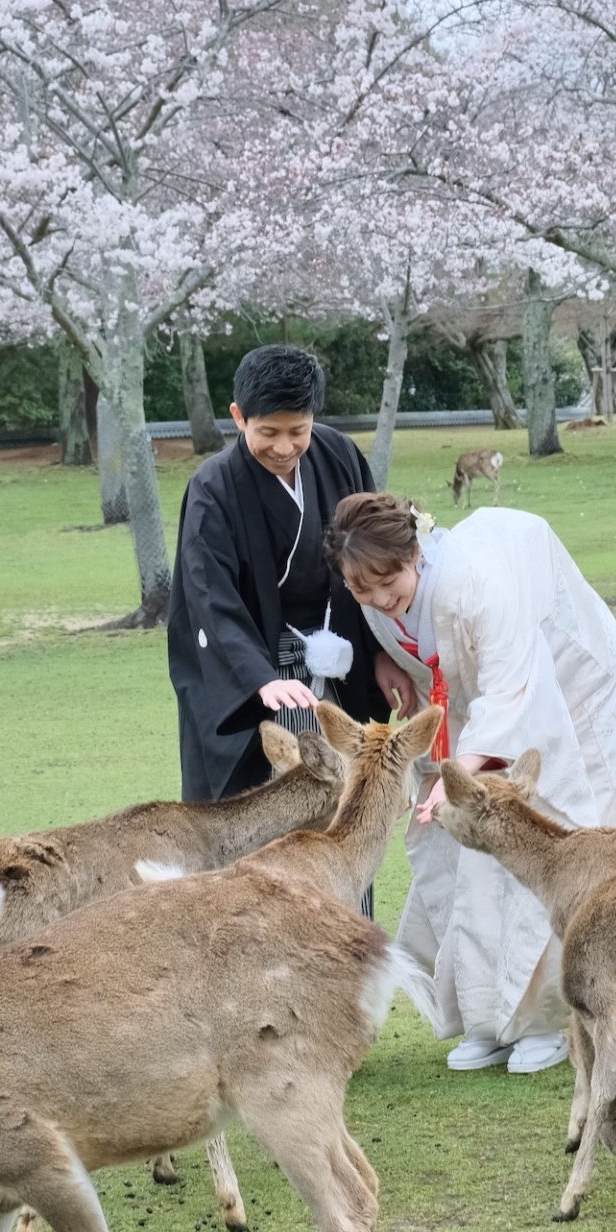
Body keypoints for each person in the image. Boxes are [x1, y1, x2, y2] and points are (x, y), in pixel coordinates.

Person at [324, 492, 616, 1074]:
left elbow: (514, 686)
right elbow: (424, 661)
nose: (378, 602)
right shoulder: (377, 597)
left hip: (559, 693)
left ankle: (553, 1019)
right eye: (361, 591)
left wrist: (463, 772)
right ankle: (489, 1017)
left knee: (552, 839)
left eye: (388, 583)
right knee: (453, 850)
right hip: (467, 714)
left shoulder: (478, 584)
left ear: (416, 552)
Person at [166, 347, 413, 912]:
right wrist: (260, 678)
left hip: (337, 662)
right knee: (260, 817)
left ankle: (349, 929)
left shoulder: (339, 454)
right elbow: (210, 598)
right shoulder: (214, 488)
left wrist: (380, 652)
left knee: (346, 804)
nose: (283, 447)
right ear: (237, 417)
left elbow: (369, 563)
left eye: (297, 430)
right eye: (267, 431)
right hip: (252, 668)